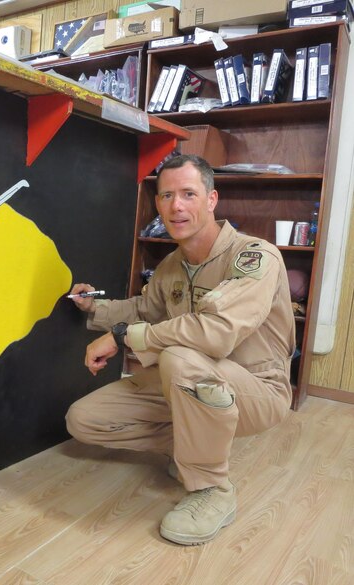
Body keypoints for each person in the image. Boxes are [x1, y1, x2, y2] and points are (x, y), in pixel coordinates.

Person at [66, 154, 295, 545]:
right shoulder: (172, 265)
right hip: (189, 382)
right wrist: (95, 309)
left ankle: (212, 489)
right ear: (157, 204)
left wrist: (123, 337)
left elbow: (216, 332)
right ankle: (196, 446)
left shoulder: (255, 256)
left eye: (189, 194)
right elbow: (143, 309)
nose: (177, 206)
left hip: (257, 389)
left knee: (180, 355)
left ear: (211, 199)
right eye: (167, 195)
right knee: (84, 419)